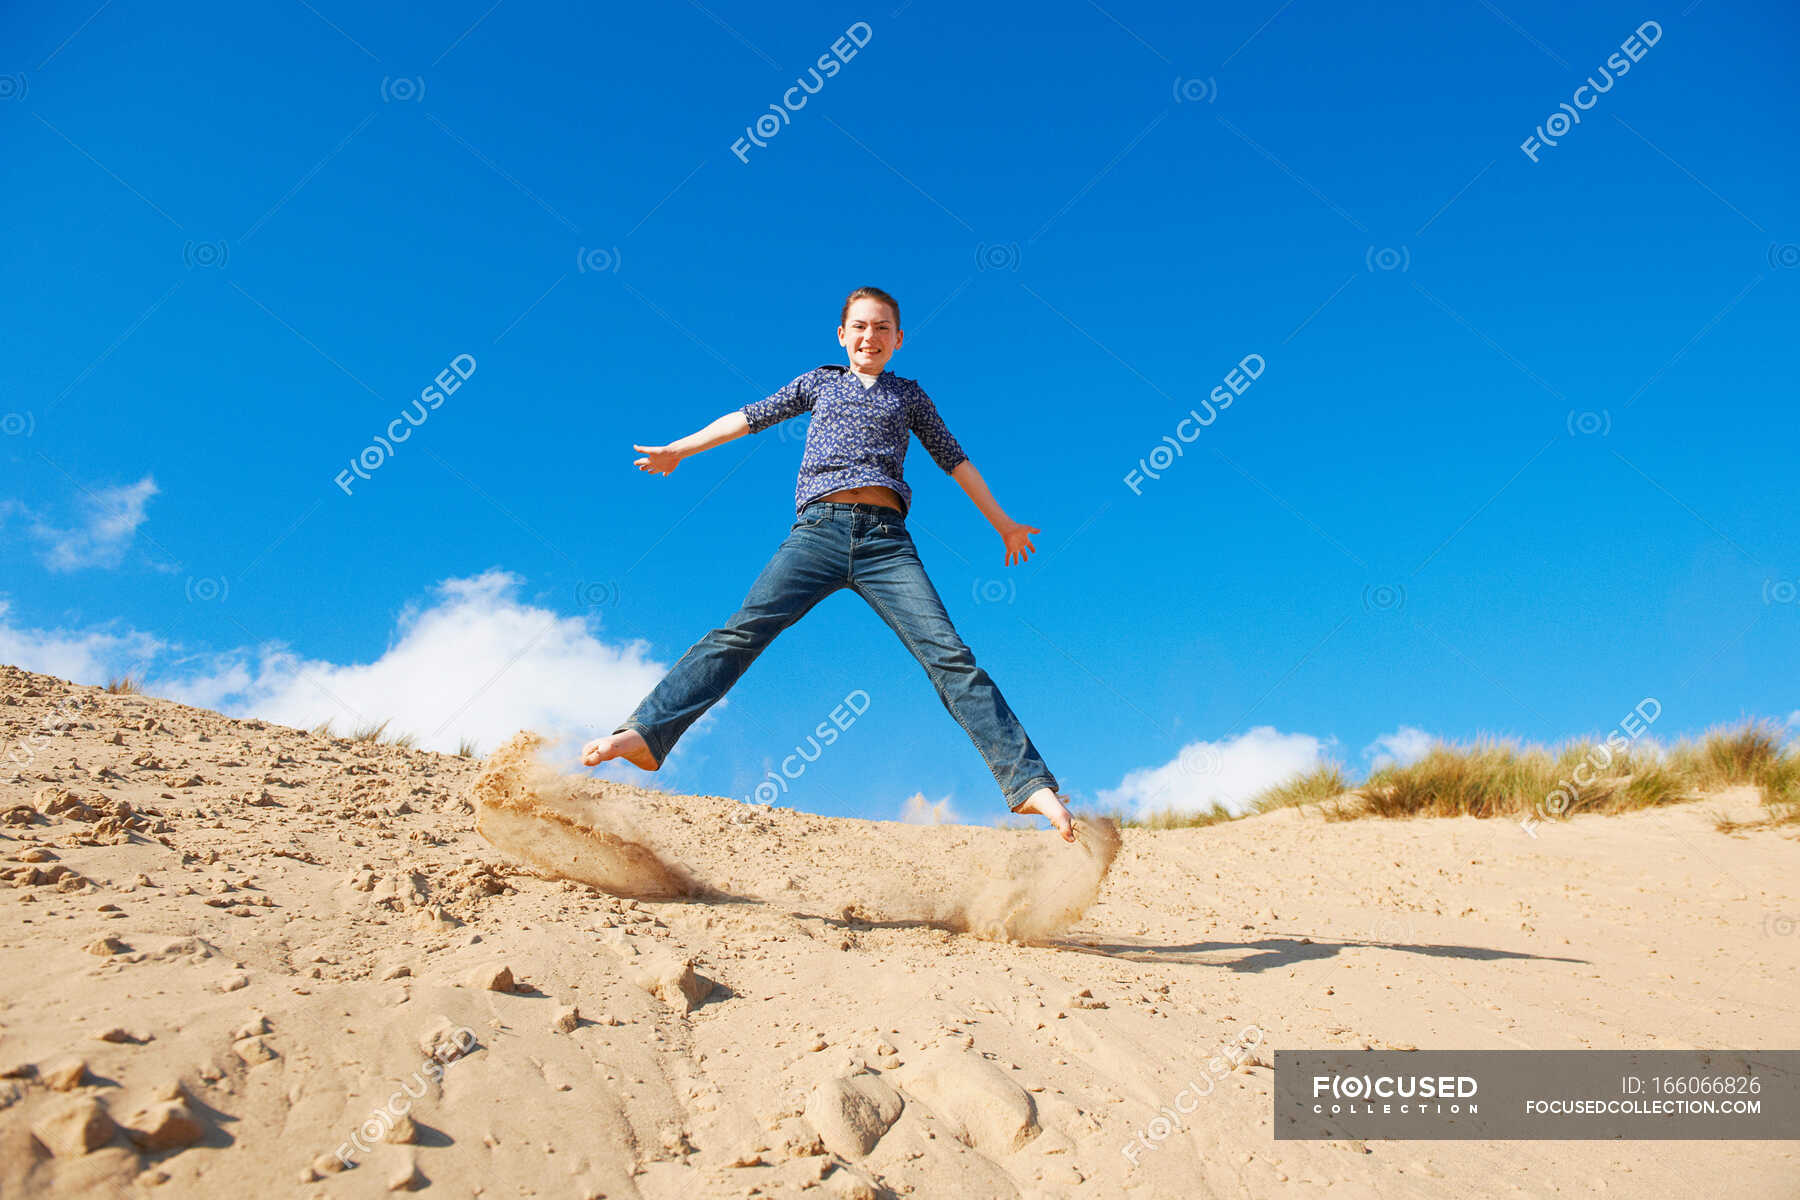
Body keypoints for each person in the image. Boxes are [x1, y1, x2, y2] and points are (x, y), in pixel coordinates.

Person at [581, 286, 1075, 842]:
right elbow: (749, 417)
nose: (871, 337)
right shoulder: (821, 382)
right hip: (818, 532)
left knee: (949, 655)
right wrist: (679, 448)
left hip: (887, 543)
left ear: (898, 340)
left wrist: (1003, 523)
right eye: (860, 327)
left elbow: (953, 459)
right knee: (741, 632)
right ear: (842, 335)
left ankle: (1029, 783)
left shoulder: (909, 395)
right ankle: (647, 733)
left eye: (882, 328)